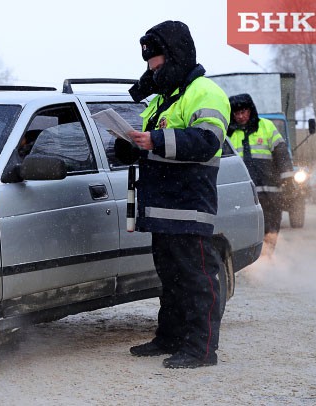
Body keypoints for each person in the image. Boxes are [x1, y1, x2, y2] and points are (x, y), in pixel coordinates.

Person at [115, 20, 230, 368]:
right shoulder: (163, 101)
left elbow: (209, 141)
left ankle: (201, 349)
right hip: (162, 207)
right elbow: (149, 146)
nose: (151, 69)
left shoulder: (205, 92)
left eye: (156, 61)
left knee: (198, 281)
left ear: (174, 56)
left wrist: (157, 140)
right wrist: (129, 147)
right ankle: (169, 338)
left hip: (189, 207)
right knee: (171, 279)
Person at [227, 93, 294, 257]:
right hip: (243, 195)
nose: (241, 116)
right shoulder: (228, 134)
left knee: (271, 228)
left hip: (270, 192)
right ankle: (251, 262)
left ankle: (267, 259)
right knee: (245, 228)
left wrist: (288, 180)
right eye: (237, 113)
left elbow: (282, 155)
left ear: (251, 110)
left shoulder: (267, 127)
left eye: (244, 111)